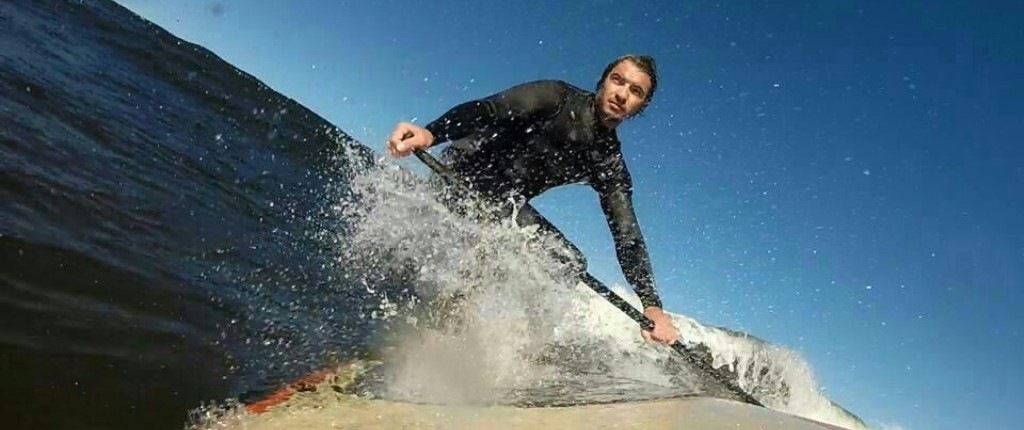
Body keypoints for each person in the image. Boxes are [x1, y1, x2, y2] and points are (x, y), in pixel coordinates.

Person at [386, 54, 678, 345]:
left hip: (504, 204)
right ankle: (424, 289)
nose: (622, 94)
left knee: (568, 263)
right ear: (603, 81)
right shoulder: (557, 98)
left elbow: (627, 235)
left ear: (642, 106)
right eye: (618, 80)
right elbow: (490, 109)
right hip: (460, 172)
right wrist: (431, 133)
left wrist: (652, 304)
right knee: (488, 236)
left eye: (636, 91)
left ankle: (519, 345)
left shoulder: (608, 162)